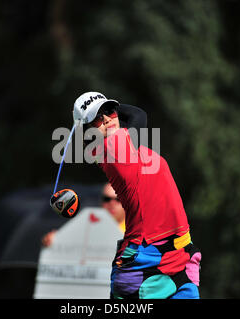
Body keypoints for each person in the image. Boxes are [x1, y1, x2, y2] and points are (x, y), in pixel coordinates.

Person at [72, 92, 202, 299]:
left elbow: (135, 116)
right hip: (144, 259)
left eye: (109, 111)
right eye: (96, 118)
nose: (106, 118)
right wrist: (113, 110)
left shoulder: (128, 146)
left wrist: (106, 108)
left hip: (179, 253)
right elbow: (138, 115)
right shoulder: (108, 148)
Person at [41, 183, 126, 247]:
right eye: (107, 199)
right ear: (101, 201)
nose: (112, 203)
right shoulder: (88, 226)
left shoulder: (136, 231)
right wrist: (55, 240)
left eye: (118, 199)